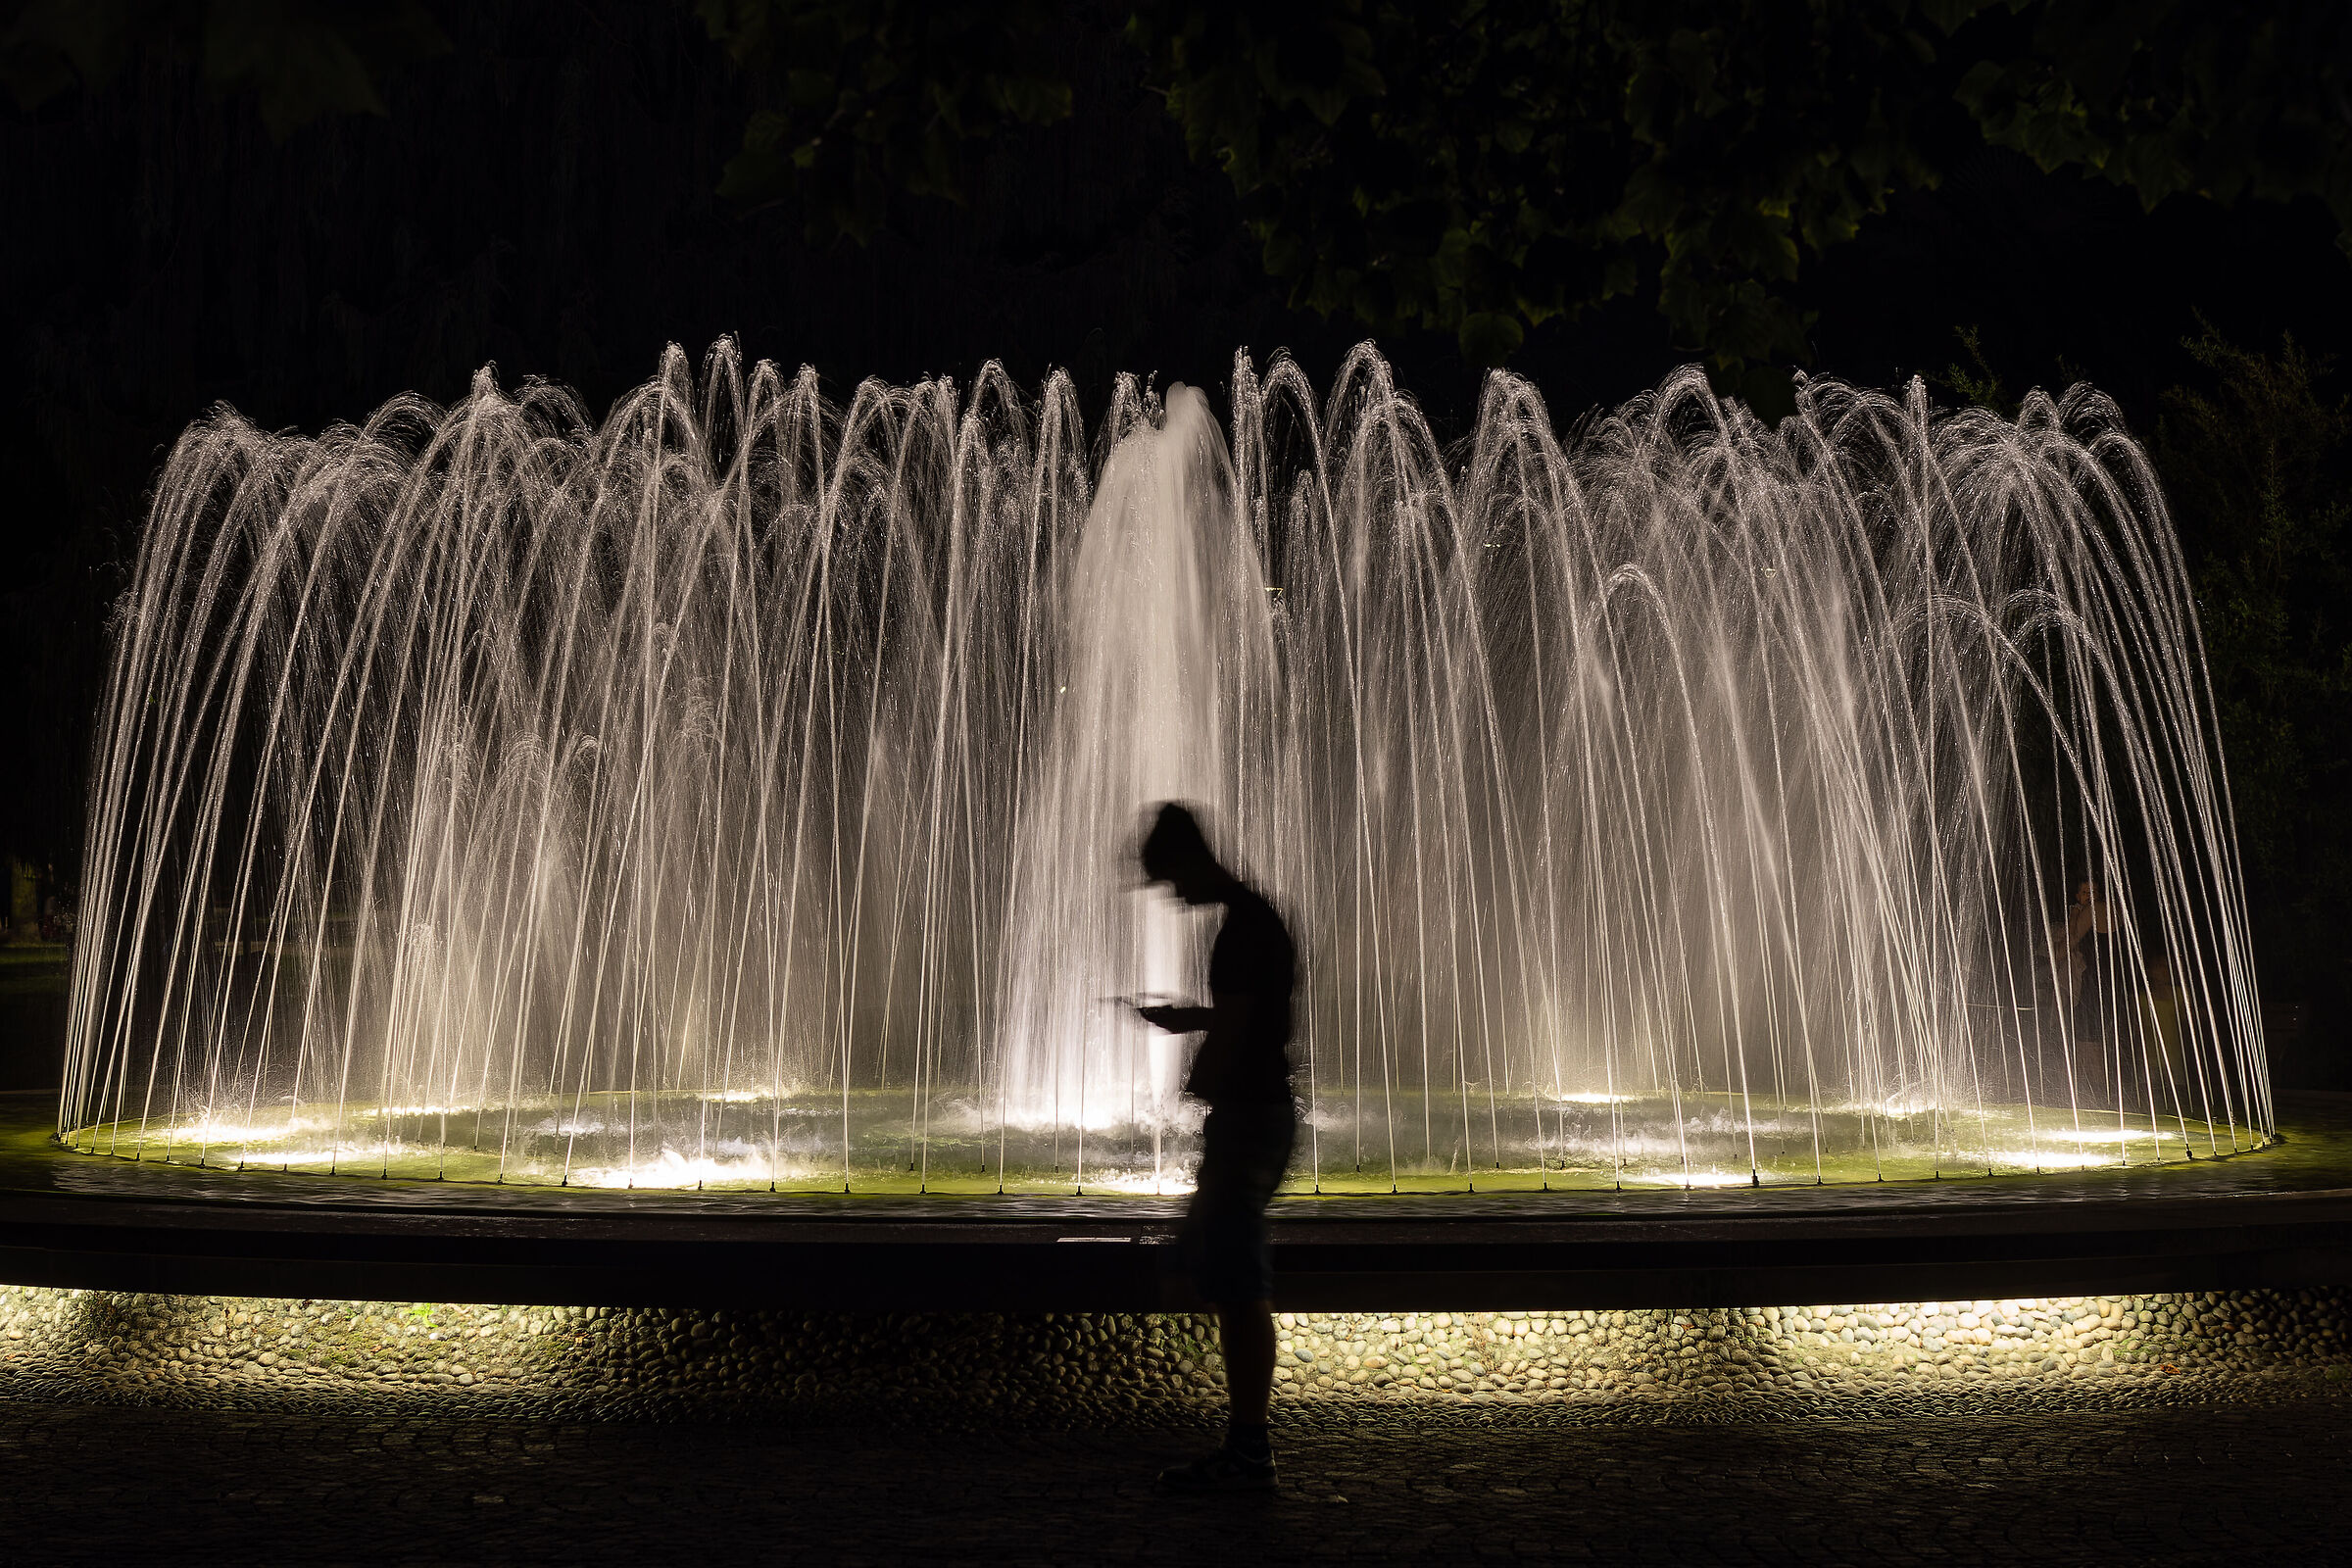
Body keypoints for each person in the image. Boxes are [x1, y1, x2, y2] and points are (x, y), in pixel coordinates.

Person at [1129, 801, 1297, 1494]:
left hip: (1250, 1117)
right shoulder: (1257, 918)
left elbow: (1242, 1031)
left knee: (1240, 1286)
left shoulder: (1242, 929)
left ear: (1189, 861)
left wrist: (1196, 1086)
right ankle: (1246, 1444)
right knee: (1230, 1276)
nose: (1173, 898)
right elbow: (1249, 1015)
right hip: (1259, 1114)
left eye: (1169, 882)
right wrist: (1189, 1020)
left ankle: (1251, 1452)